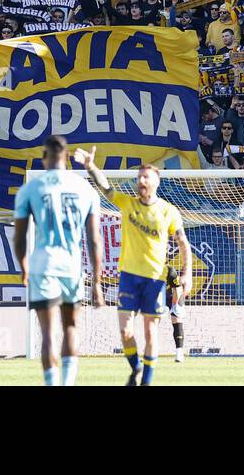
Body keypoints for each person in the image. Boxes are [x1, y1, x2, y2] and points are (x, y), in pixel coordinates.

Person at [79, 148, 190, 386]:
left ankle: (146, 381)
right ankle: (136, 368)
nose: (141, 180)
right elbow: (106, 188)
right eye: (139, 177)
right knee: (126, 332)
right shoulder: (127, 204)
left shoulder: (168, 211)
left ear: (156, 182)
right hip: (129, 277)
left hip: (154, 280)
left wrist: (186, 273)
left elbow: (183, 244)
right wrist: (91, 167)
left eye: (146, 177)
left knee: (150, 332)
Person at [12, 135, 103, 387]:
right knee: (71, 329)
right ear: (66, 157)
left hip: (42, 266)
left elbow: (19, 238)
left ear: (44, 157)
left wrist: (23, 267)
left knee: (48, 335)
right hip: (72, 268)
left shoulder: (31, 189)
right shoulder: (85, 189)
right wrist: (96, 282)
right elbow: (95, 240)